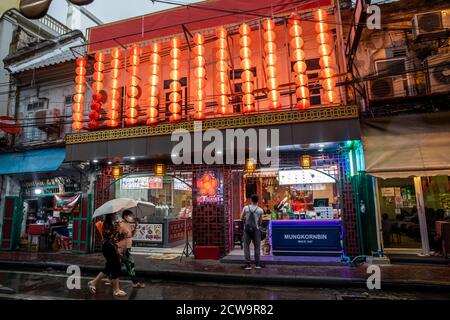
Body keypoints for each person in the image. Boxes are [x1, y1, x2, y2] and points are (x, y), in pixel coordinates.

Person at [88, 214, 127, 297]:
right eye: (114, 214)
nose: (116, 215)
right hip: (108, 247)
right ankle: (116, 290)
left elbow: (118, 238)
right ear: (110, 215)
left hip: (113, 247)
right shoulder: (106, 224)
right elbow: (110, 237)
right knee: (116, 266)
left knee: (110, 267)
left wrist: (123, 233)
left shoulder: (113, 224)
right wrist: (117, 228)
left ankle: (93, 282)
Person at [105, 210, 145, 288]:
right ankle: (135, 282)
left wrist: (136, 226)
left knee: (119, 264)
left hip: (128, 247)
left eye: (132, 216)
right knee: (130, 264)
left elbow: (131, 235)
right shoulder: (121, 225)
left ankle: (110, 278)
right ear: (125, 216)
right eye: (130, 216)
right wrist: (119, 248)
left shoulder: (128, 224)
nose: (132, 217)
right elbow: (117, 236)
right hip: (123, 248)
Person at [240, 194, 264, 270]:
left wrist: (246, 218)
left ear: (251, 200)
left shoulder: (246, 208)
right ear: (258, 201)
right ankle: (257, 264)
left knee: (246, 247)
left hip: (247, 230)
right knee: (257, 247)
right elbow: (260, 222)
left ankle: (248, 265)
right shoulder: (260, 210)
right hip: (256, 230)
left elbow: (241, 218)